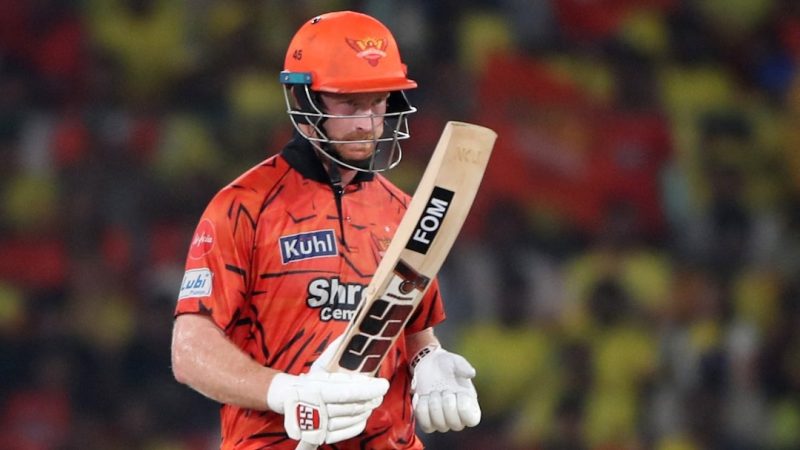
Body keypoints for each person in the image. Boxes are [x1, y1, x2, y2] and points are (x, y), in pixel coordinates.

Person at [171, 11, 481, 450]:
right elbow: (189, 352)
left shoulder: (405, 211)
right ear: (303, 98)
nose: (367, 123)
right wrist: (284, 393)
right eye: (349, 104)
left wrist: (431, 359)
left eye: (378, 103)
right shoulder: (243, 207)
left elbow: (411, 328)